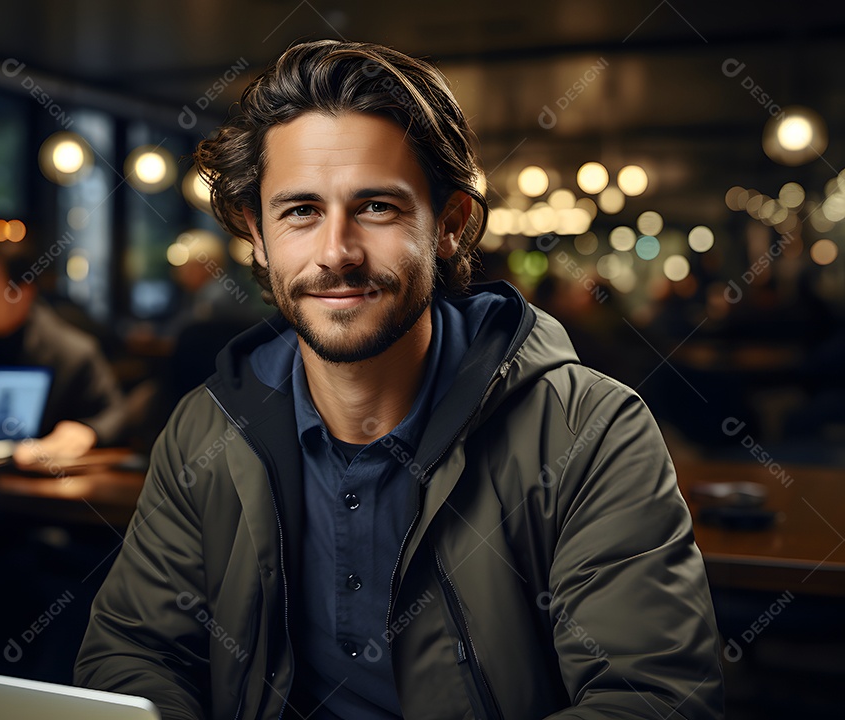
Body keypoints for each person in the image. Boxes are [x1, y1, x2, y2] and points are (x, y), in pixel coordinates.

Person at [75, 40, 724, 719]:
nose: (337, 252)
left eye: (377, 207)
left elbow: (654, 700)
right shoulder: (206, 430)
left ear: (448, 226)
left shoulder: (591, 431)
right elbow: (133, 654)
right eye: (300, 211)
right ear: (257, 236)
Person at [0, 235, 130, 465]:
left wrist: (87, 431)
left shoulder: (72, 353)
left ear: (22, 293)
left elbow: (116, 414)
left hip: (38, 490)